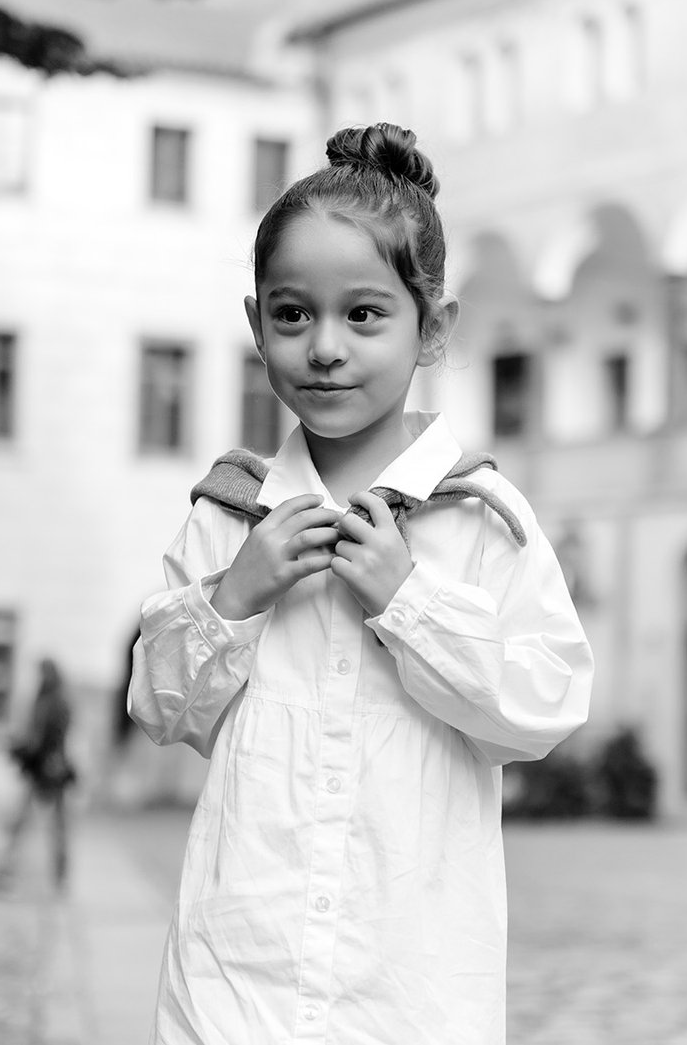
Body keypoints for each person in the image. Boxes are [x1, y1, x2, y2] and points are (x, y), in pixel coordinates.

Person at [128, 122, 594, 1044]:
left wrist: (410, 603)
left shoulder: (480, 518)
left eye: (366, 314)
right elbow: (159, 706)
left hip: (411, 984)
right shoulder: (228, 517)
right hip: (238, 975)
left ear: (434, 328)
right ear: (256, 324)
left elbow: (545, 705)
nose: (326, 347)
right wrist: (234, 596)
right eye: (293, 313)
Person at [0, 657, 75, 894]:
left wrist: (17, 749)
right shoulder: (56, 701)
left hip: (45, 769)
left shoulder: (52, 703)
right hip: (47, 768)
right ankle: (56, 877)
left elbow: (39, 740)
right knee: (50, 825)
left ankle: (10, 872)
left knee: (31, 824)